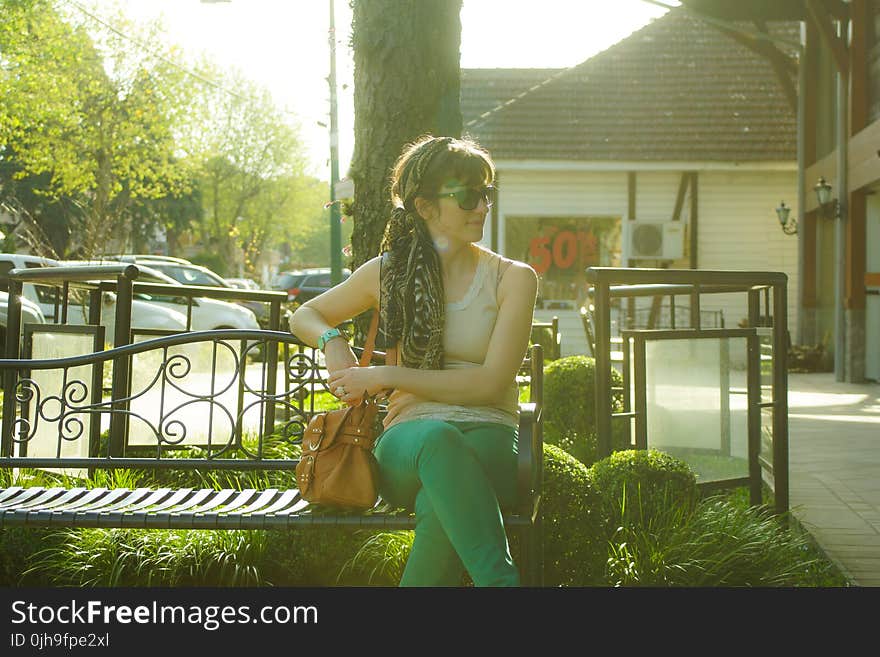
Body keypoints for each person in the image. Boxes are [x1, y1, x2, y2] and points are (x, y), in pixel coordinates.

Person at [289, 135, 538, 587]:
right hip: (409, 444)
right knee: (439, 440)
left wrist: (383, 374)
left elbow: (489, 384)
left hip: (493, 438)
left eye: (486, 194)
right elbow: (305, 313)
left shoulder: (513, 279)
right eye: (466, 196)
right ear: (424, 207)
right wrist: (331, 341)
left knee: (439, 502)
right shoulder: (388, 273)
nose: (482, 207)